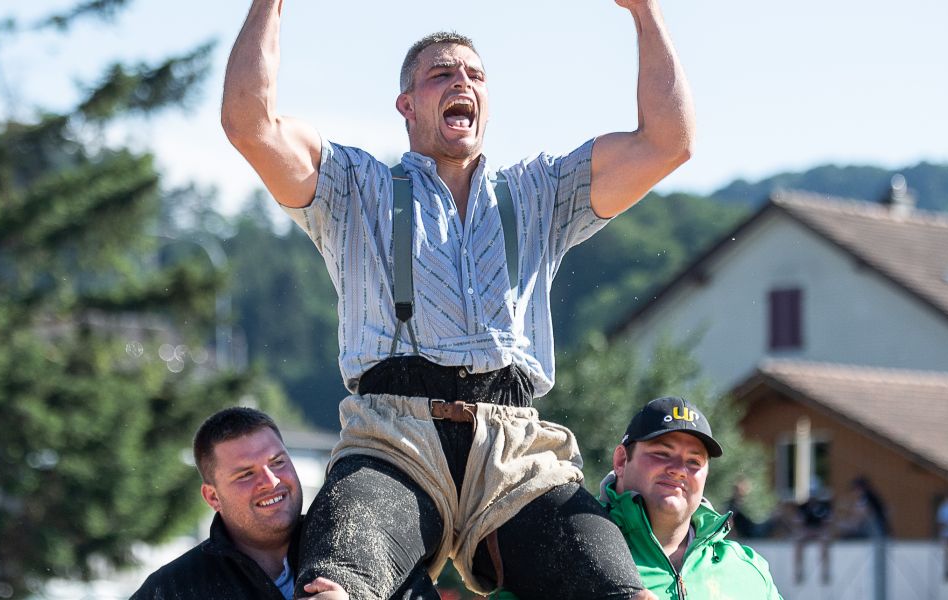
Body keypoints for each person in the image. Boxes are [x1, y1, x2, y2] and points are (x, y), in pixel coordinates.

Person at [220, 0, 694, 598]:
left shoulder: (539, 191)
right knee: (334, 589)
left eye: (474, 75)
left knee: (624, 593)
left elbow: (668, 142)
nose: (462, 82)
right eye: (442, 74)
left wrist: (645, 12)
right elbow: (249, 124)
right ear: (408, 105)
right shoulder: (354, 186)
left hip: (516, 450)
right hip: (395, 438)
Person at [495, 396, 781, 599]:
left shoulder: (747, 568)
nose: (679, 471)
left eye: (694, 461)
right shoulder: (569, 546)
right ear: (621, 460)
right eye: (662, 454)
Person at [130, 407, 343, 599]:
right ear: (213, 497)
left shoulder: (344, 546)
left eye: (277, 462)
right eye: (246, 474)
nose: (271, 482)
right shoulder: (170, 591)